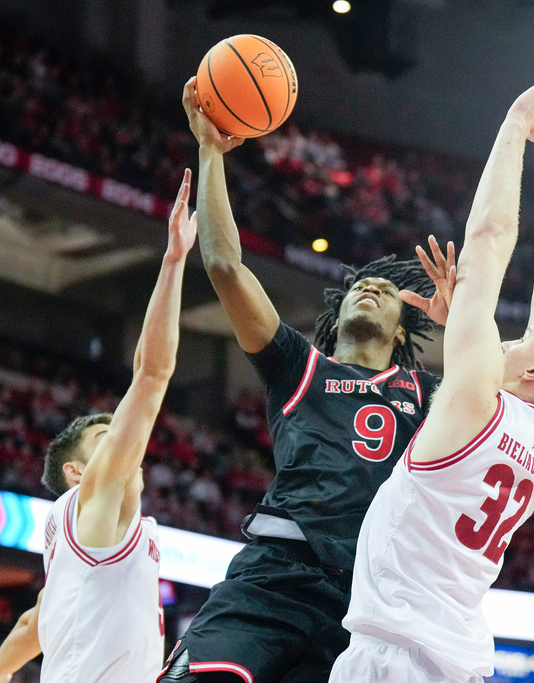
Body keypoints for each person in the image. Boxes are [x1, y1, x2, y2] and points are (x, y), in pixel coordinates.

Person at [329, 63, 534, 682]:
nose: (509, 340)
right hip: (455, 662)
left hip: (394, 661)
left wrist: (516, 124)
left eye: (521, 341)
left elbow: (489, 238)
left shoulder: (474, 399)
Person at [159, 80, 454, 683]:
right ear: (337, 313)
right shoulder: (298, 365)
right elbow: (223, 265)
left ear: (404, 332)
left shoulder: (431, 394)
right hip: (276, 575)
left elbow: (529, 386)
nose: (368, 287)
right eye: (356, 286)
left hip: (368, 605)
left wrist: (466, 319)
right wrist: (211, 152)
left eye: (385, 290)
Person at [0, 169, 199, 683]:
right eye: (105, 438)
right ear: (77, 471)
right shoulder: (94, 502)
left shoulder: (72, 541)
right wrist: (175, 261)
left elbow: (34, 623)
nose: (121, 443)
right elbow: (153, 372)